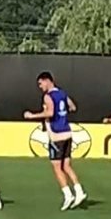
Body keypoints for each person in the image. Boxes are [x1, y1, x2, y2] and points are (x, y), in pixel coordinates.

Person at [25, 72, 86, 211]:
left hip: (56, 135)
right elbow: (72, 107)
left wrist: (32, 115)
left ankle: (68, 194)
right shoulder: (62, 93)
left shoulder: (48, 96)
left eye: (41, 84)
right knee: (67, 165)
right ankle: (79, 191)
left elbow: (50, 113)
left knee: (57, 166)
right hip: (67, 132)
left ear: (47, 81)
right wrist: (62, 114)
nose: (40, 87)